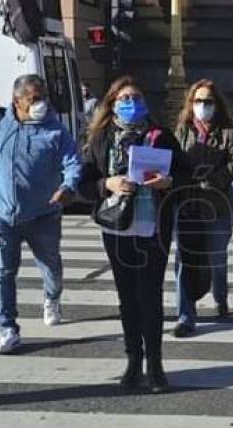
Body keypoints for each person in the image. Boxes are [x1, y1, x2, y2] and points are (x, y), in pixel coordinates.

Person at [79, 76, 180, 393]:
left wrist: (168, 182)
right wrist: (106, 184)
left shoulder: (160, 136)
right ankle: (133, 362)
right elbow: (84, 182)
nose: (131, 103)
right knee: (127, 298)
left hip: (153, 227)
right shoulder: (101, 138)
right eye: (124, 98)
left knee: (151, 297)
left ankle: (156, 366)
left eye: (135, 97)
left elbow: (186, 172)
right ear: (112, 104)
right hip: (117, 226)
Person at [0, 74, 81, 353]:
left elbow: (73, 162)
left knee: (51, 265)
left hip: (43, 215)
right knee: (2, 272)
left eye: (43, 97)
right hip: (2, 213)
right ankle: (7, 328)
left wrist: (68, 186)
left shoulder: (55, 130)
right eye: (33, 99)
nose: (40, 104)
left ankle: (52, 298)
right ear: (16, 101)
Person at [172, 79, 233, 336]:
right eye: (198, 101)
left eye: (208, 101)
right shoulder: (183, 130)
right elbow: (173, 160)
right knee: (183, 260)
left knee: (216, 258)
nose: (203, 106)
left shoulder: (228, 131)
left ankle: (220, 296)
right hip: (187, 207)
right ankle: (185, 316)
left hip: (217, 205)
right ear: (191, 104)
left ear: (217, 104)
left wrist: (213, 180)